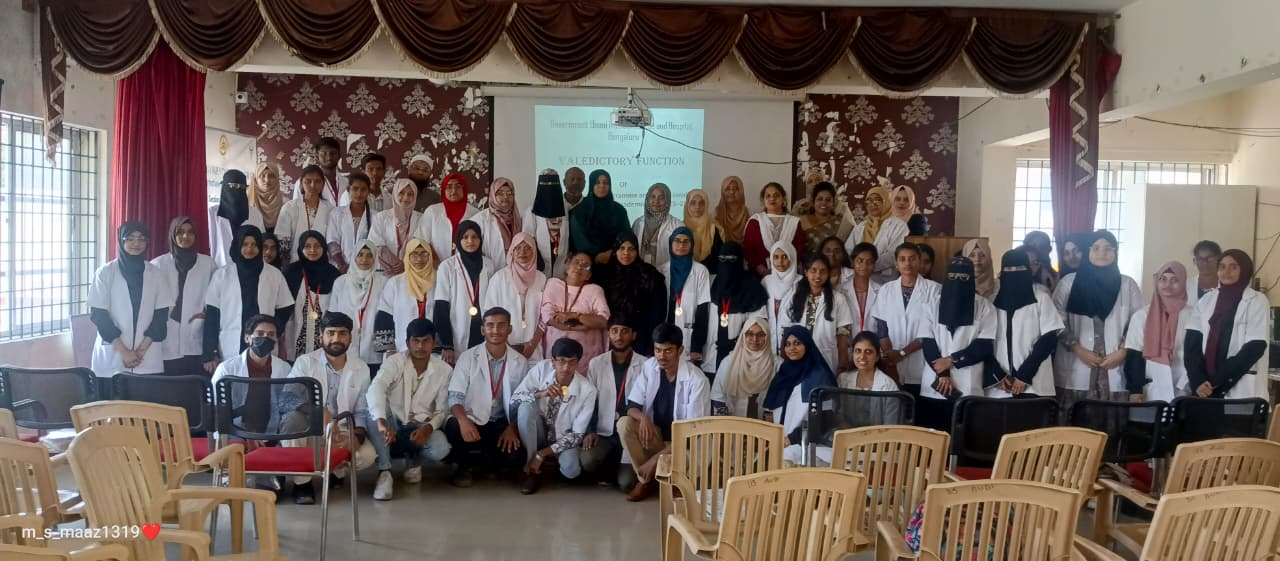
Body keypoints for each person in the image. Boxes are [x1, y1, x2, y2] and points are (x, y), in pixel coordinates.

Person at [282, 312, 374, 504]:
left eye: (342, 333)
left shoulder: (361, 368)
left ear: (350, 337)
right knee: (292, 420)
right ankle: (302, 483)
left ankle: (334, 469)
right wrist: (319, 412)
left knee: (367, 456)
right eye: (330, 333)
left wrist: (356, 437)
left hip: (341, 431)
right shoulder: (305, 362)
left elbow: (362, 411)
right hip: (311, 430)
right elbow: (288, 398)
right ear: (321, 337)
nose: (336, 339)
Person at [617, 324, 710, 501]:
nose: (661, 356)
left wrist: (653, 461)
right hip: (656, 438)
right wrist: (643, 417)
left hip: (684, 445)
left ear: (680, 350)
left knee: (677, 478)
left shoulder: (697, 380)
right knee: (624, 423)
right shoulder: (649, 367)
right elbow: (632, 407)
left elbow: (691, 433)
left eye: (668, 351)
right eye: (658, 350)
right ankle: (645, 480)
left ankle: (662, 477)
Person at [1053, 230, 1144, 409]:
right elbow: (1056, 321)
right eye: (1095, 248)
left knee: (1111, 420)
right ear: (1087, 251)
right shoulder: (1068, 283)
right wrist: (1079, 350)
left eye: (1108, 248)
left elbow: (1138, 323)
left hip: (1115, 365)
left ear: (1115, 252)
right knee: (1075, 421)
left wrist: (1122, 352)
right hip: (1076, 365)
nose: (1102, 253)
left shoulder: (1128, 285)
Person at [366, 318, 453, 500]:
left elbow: (442, 410)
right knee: (373, 410)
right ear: (407, 343)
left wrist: (428, 428)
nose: (420, 346)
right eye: (416, 341)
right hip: (393, 425)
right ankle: (385, 472)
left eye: (426, 341)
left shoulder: (444, 370)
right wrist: (381, 422)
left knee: (441, 448)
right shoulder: (394, 362)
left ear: (434, 343)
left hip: (419, 427)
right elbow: (376, 387)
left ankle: (414, 461)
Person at [445, 307, 530, 487]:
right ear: (483, 330)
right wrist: (464, 421)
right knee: (454, 426)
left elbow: (526, 401)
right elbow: (454, 397)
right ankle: (464, 467)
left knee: (516, 456)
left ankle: (488, 462)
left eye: (501, 325)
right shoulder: (468, 357)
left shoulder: (520, 362)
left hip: (501, 424)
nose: (495, 330)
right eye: (490, 325)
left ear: (509, 329)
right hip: (473, 420)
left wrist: (512, 428)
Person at [88, 223, 171, 395]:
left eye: (141, 239)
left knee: (145, 407)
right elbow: (99, 316)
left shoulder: (156, 274)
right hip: (113, 354)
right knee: (111, 407)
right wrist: (125, 352)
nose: (136, 243)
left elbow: (161, 316)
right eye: (130, 238)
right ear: (121, 240)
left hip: (146, 357)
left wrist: (139, 352)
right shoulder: (105, 273)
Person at [511, 338, 599, 494]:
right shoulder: (541, 369)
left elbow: (577, 435)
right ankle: (530, 471)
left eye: (572, 362)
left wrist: (542, 454)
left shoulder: (588, 390)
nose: (566, 367)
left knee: (571, 471)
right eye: (561, 361)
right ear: (552, 361)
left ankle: (540, 461)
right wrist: (541, 394)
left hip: (562, 438)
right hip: (537, 432)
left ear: (578, 362)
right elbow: (515, 399)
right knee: (525, 408)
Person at [918, 257, 995, 431]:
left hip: (968, 385)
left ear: (971, 278)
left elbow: (984, 345)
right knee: (934, 437)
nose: (957, 281)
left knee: (965, 436)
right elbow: (928, 342)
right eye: (952, 276)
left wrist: (951, 360)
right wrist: (943, 374)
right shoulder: (932, 305)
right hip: (936, 385)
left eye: (963, 277)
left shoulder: (984, 306)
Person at [203, 226, 293, 368]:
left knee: (263, 379)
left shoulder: (274, 274)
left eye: (254, 245)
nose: (250, 249)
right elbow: (212, 317)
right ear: (238, 245)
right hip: (230, 344)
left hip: (264, 343)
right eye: (245, 244)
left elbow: (285, 307)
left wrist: (273, 330)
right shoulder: (222, 275)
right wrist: (209, 353)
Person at [1186, 250, 1268, 399]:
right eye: (1222, 267)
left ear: (1244, 269)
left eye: (1233, 267)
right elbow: (1192, 345)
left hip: (1236, 386)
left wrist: (1216, 381)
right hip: (1204, 387)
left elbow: (1255, 346)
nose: (1226, 272)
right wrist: (1198, 380)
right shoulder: (1206, 300)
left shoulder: (1257, 300)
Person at [985, 248, 1064, 399]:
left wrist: (1025, 374)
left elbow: (1049, 338)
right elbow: (984, 342)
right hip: (1000, 385)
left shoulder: (1041, 298)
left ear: (1027, 270)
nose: (1014, 273)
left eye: (1020, 268)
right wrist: (997, 375)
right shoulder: (992, 301)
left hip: (1033, 383)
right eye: (1008, 269)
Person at [211, 315, 292, 455]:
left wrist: (281, 438)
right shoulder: (227, 368)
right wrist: (248, 434)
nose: (265, 338)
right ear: (247, 338)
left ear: (276, 340)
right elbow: (219, 408)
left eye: (270, 335)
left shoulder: (284, 368)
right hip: (235, 433)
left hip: (273, 433)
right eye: (260, 334)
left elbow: (288, 405)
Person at [583, 316, 646, 490]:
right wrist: (590, 430)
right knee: (587, 460)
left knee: (626, 484)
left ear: (633, 335)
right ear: (608, 334)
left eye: (625, 331)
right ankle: (609, 464)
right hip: (605, 432)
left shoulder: (645, 365)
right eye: (614, 331)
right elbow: (590, 401)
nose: (619, 336)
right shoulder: (596, 363)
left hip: (630, 434)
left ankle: (616, 467)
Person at [872, 243, 941, 395]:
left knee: (919, 405)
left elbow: (931, 331)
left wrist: (902, 353)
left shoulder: (935, 290)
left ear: (919, 261)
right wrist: (890, 355)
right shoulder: (886, 290)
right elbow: (882, 328)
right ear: (896, 264)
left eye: (912, 259)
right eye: (902, 259)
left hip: (921, 362)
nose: (907, 263)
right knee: (894, 404)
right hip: (892, 363)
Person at [1124, 262, 1198, 402]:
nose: (1168, 285)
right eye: (1162, 279)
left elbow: (1198, 353)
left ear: (1183, 283)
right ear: (1156, 281)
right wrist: (1135, 389)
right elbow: (1134, 355)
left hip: (1185, 387)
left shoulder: (1194, 314)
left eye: (1174, 280)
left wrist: (1188, 383)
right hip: (1150, 389)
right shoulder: (1141, 316)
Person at [152, 216, 215, 376]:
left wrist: (205, 315)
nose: (185, 236)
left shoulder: (208, 264)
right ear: (172, 234)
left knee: (194, 386)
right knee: (169, 386)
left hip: (196, 336)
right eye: (180, 232)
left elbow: (215, 300)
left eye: (190, 232)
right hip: (166, 338)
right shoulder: (158, 265)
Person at [764, 326, 837, 453]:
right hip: (780, 446)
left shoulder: (821, 377)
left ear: (807, 345)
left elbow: (826, 419)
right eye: (787, 344)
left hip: (807, 448)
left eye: (797, 343)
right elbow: (770, 411)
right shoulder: (783, 373)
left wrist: (793, 438)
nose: (792, 348)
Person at [594, 232, 667, 357]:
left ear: (637, 251)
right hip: (608, 336)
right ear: (615, 250)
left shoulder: (649, 274)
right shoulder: (603, 275)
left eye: (631, 249)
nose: (626, 253)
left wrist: (650, 342)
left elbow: (657, 312)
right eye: (622, 248)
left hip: (640, 338)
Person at [535, 252, 610, 371]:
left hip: (587, 354)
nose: (579, 267)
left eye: (586, 266)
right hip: (556, 352)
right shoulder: (553, 284)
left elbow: (603, 321)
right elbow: (548, 316)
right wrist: (582, 326)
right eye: (576, 262)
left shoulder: (595, 290)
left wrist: (574, 316)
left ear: (589, 275)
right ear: (567, 267)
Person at [779, 255, 853, 374]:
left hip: (826, 355)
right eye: (813, 270)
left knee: (823, 383)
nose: (818, 275)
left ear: (828, 274)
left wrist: (843, 360)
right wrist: (783, 356)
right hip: (797, 355)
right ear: (806, 272)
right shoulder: (793, 297)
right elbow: (786, 329)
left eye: (823, 271)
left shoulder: (838, 299)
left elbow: (843, 333)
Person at [705, 242, 768, 375]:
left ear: (740, 261)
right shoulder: (711, 283)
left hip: (740, 355)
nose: (727, 264)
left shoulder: (752, 287)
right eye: (722, 259)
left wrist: (739, 341)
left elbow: (758, 324)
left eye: (732, 259)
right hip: (710, 356)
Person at [483, 233, 546, 360]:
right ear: (512, 251)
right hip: (504, 345)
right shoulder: (499, 278)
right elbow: (490, 313)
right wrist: (506, 345)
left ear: (534, 251)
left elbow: (545, 316)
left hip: (534, 347)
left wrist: (532, 345)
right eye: (518, 248)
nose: (523, 252)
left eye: (528, 248)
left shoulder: (541, 278)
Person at [328, 240, 387, 377]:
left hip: (373, 349)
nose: (364, 260)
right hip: (346, 348)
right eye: (360, 255)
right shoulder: (341, 282)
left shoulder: (383, 282)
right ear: (354, 257)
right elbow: (333, 315)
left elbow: (386, 316)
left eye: (369, 255)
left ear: (375, 258)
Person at [282, 231, 341, 361]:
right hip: (295, 335)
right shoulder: (292, 272)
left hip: (323, 337)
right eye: (307, 246)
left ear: (323, 248)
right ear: (301, 248)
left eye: (317, 246)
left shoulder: (333, 274)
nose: (313, 250)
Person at [373, 239, 436, 354]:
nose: (419, 259)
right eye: (414, 254)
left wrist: (445, 346)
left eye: (424, 253)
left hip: (433, 349)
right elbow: (384, 316)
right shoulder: (395, 283)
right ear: (407, 256)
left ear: (430, 256)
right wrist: (388, 349)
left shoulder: (439, 280)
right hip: (401, 348)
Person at [661, 228, 712, 365]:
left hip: (688, 334)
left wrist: (697, 346)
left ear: (692, 244)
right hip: (665, 332)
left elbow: (702, 310)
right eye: (677, 241)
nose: (681, 245)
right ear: (670, 244)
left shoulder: (700, 271)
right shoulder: (662, 270)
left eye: (686, 241)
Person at [711, 317, 775, 418]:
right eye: (750, 334)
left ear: (767, 336)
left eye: (761, 334)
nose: (755, 339)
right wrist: (723, 424)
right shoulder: (729, 362)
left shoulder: (776, 364)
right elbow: (718, 397)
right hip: (733, 421)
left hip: (765, 423)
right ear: (743, 336)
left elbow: (780, 399)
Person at [845, 185, 908, 284]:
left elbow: (894, 254)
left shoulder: (899, 226)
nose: (872, 204)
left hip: (884, 280)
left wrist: (868, 265)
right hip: (859, 277)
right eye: (869, 200)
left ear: (887, 202)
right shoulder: (860, 227)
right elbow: (848, 250)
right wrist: (860, 266)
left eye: (878, 200)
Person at [277, 165, 337, 265]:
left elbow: (333, 238)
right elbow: (282, 239)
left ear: (323, 184)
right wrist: (286, 265)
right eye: (308, 181)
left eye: (317, 181)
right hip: (295, 262)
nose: (313, 185)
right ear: (301, 184)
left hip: (322, 263)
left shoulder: (330, 209)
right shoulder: (290, 207)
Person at [569, 169, 631, 265]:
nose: (602, 186)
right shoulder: (579, 211)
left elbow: (626, 236)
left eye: (606, 183)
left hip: (616, 261)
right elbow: (578, 239)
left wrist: (612, 252)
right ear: (591, 185)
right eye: (597, 182)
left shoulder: (619, 210)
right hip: (586, 264)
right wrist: (596, 256)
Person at [744, 182, 805, 277]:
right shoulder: (755, 221)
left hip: (788, 274)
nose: (772, 198)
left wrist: (786, 269)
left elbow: (799, 249)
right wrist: (761, 269)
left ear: (783, 199)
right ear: (763, 200)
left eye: (776, 195)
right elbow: (748, 249)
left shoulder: (793, 222)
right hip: (759, 276)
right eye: (768, 196)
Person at [209, 170, 265, 268]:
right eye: (233, 186)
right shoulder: (212, 213)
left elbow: (260, 244)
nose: (237, 190)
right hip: (220, 268)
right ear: (224, 187)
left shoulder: (255, 214)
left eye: (241, 187)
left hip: (249, 269)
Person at [417, 172, 479, 260]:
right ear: (443, 190)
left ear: (464, 189)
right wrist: (435, 261)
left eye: (458, 187)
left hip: (466, 264)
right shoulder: (432, 211)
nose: (454, 191)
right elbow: (421, 240)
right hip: (435, 263)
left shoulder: (475, 213)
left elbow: (478, 242)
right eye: (449, 187)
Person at [524, 169, 571, 279]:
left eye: (553, 183)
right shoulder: (532, 210)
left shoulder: (566, 208)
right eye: (546, 183)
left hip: (561, 259)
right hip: (540, 262)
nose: (550, 187)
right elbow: (528, 238)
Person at [369, 179, 421, 277]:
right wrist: (397, 264)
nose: (405, 198)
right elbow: (376, 244)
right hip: (384, 272)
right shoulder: (381, 217)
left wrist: (406, 264)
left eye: (410, 194)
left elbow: (421, 245)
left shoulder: (421, 218)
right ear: (395, 194)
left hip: (410, 272)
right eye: (401, 193)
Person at [326, 171, 373, 274]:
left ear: (369, 191)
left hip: (365, 269)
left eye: (363, 189)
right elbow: (332, 242)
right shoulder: (337, 213)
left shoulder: (375, 216)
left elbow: (374, 244)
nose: (359, 193)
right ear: (348, 190)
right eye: (355, 189)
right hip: (340, 269)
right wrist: (342, 265)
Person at [474, 177, 522, 269]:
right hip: (490, 270)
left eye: (509, 193)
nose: (505, 197)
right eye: (500, 193)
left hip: (515, 270)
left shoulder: (518, 219)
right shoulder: (480, 220)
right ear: (492, 195)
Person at [632, 183, 683, 269]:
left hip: (665, 273)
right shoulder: (638, 223)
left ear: (667, 200)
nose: (656, 201)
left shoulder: (677, 225)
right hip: (639, 273)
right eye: (653, 197)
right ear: (647, 199)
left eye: (661, 198)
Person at [763, 241, 800, 356]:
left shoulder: (801, 282)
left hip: (793, 341)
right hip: (769, 339)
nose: (780, 262)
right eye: (776, 257)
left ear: (792, 257)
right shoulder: (766, 281)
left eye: (785, 257)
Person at [800, 182, 854, 257]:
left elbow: (848, 251)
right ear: (813, 202)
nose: (824, 203)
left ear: (833, 203)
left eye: (828, 200)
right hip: (807, 263)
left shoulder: (843, 224)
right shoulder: (801, 221)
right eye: (820, 199)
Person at [294, 137, 346, 205]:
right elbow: (296, 208)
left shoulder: (346, 182)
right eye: (324, 153)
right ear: (317, 156)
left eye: (333, 153)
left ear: (339, 156)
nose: (329, 157)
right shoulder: (304, 183)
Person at [683, 189, 724, 270]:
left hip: (710, 272)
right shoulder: (681, 227)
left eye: (701, 203)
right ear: (687, 205)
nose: (697, 207)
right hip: (686, 271)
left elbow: (717, 256)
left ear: (706, 205)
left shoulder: (714, 228)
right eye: (693, 203)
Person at [849, 242, 882, 334]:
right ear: (852, 262)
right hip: (847, 340)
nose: (864, 265)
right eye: (860, 261)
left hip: (872, 340)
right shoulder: (840, 290)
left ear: (874, 265)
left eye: (870, 262)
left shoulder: (882, 291)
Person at [248, 162, 283, 234]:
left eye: (271, 176)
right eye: (262, 176)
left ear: (277, 179)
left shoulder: (285, 204)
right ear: (256, 179)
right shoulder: (247, 201)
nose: (267, 180)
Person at [715, 175, 750, 244]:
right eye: (728, 189)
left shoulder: (747, 214)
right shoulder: (716, 213)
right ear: (723, 192)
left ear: (741, 192)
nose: (731, 192)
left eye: (735, 189)